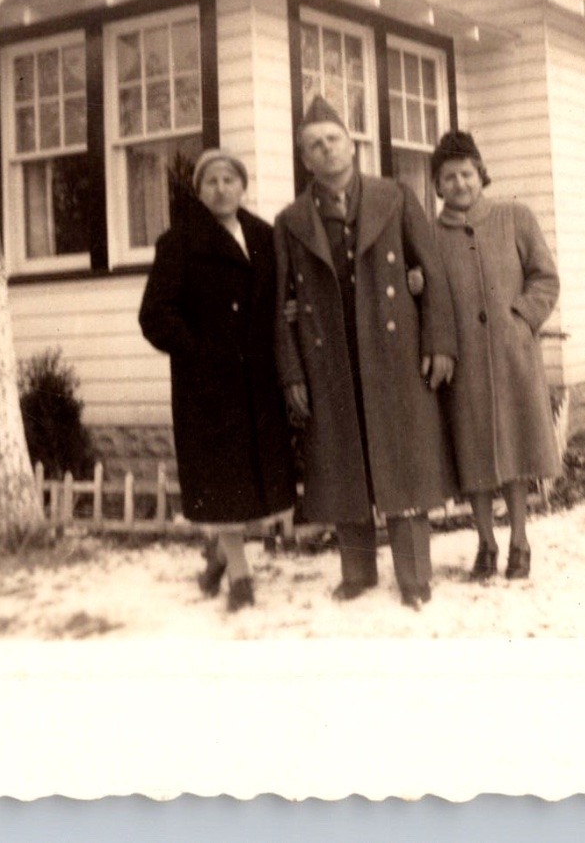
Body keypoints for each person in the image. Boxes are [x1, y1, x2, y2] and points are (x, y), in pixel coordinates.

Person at [274, 95, 458, 610]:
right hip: (329, 358)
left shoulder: (395, 196)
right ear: (305, 159)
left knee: (404, 463)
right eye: (314, 145)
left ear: (352, 145)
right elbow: (281, 303)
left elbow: (433, 273)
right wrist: (292, 372)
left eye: (332, 139)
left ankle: (415, 576)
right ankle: (357, 572)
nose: (325, 149)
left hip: (396, 354)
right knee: (340, 462)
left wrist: (440, 342)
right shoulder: (291, 221)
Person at [138, 147, 296, 612]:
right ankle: (241, 577)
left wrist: (285, 312)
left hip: (259, 381)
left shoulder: (265, 237)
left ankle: (220, 557)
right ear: (199, 190)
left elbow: (280, 292)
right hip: (208, 386)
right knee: (224, 483)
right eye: (211, 181)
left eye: (230, 180)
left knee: (253, 481)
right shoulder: (179, 242)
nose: (221, 188)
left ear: (243, 186)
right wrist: (200, 351)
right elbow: (155, 315)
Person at [429, 131, 561, 581]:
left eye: (467, 173)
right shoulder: (430, 236)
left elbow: (544, 278)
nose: (460, 183)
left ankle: (520, 540)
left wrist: (521, 319)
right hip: (462, 365)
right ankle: (485, 542)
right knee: (473, 456)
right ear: (438, 185)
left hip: (512, 360)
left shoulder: (515, 218)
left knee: (516, 451)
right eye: (449, 177)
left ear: (481, 174)